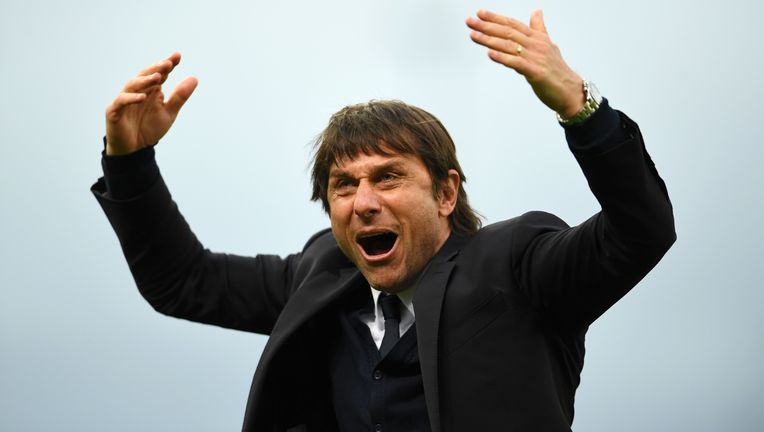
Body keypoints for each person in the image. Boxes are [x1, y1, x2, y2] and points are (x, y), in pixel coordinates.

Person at [92, 8, 675, 432]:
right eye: (344, 185)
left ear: (446, 193)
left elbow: (640, 231)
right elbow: (183, 281)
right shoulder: (321, 271)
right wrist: (130, 162)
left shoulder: (518, 263)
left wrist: (581, 106)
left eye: (388, 177)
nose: (363, 201)